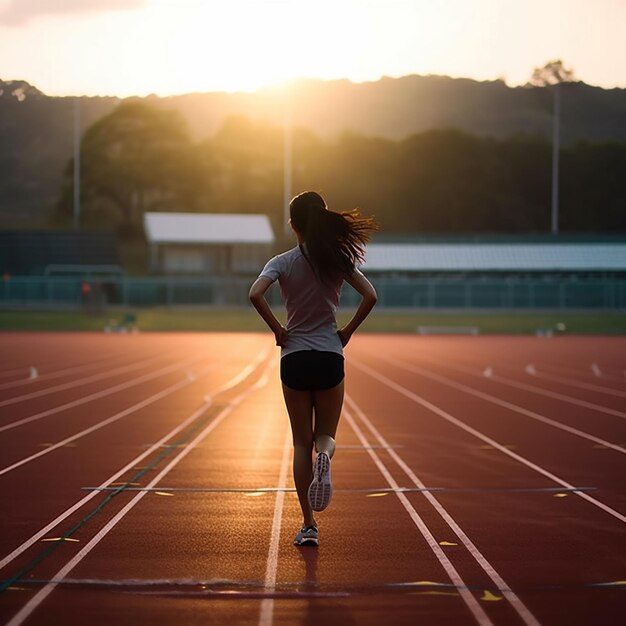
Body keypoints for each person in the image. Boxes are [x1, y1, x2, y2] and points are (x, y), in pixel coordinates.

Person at [249, 191, 378, 547]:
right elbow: (371, 295)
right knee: (325, 437)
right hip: (328, 355)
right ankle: (326, 457)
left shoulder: (281, 262)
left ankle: (308, 526)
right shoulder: (336, 260)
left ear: (293, 225)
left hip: (294, 358)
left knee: (299, 442)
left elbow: (255, 294)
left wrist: (278, 330)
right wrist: (347, 332)